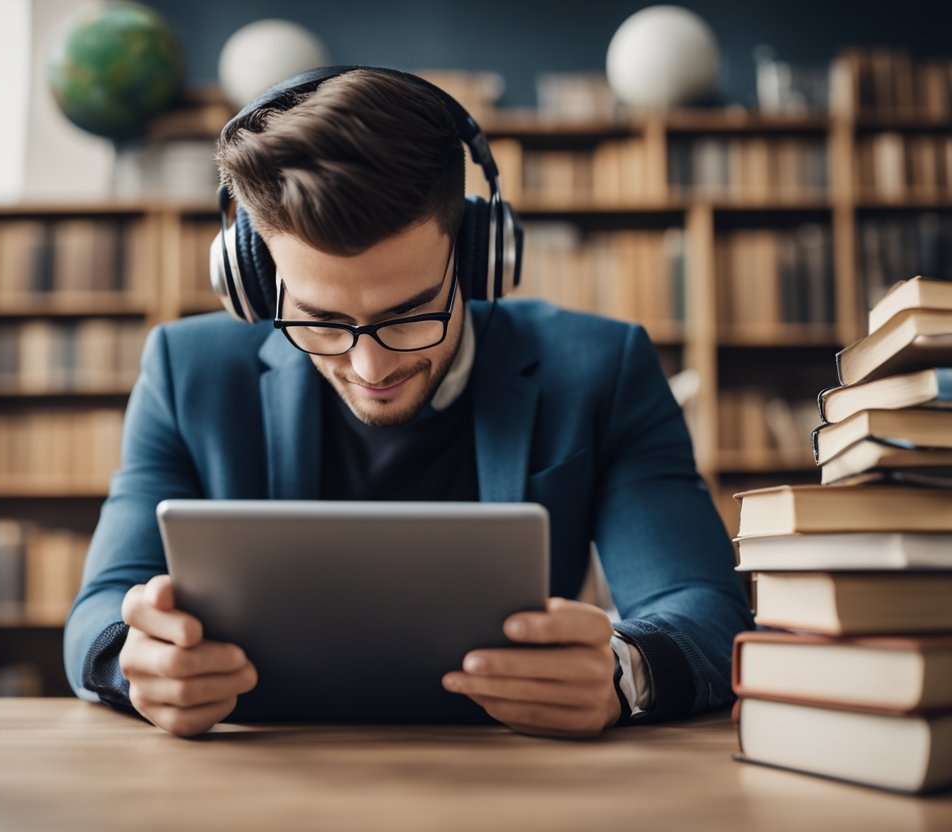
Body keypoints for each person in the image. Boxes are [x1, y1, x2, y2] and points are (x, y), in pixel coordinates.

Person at [63, 66, 753, 739]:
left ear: (480, 257)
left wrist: (622, 672)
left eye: (411, 313)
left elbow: (707, 612)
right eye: (322, 321)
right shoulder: (187, 375)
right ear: (254, 279)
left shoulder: (604, 370)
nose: (371, 365)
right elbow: (97, 611)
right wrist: (136, 662)